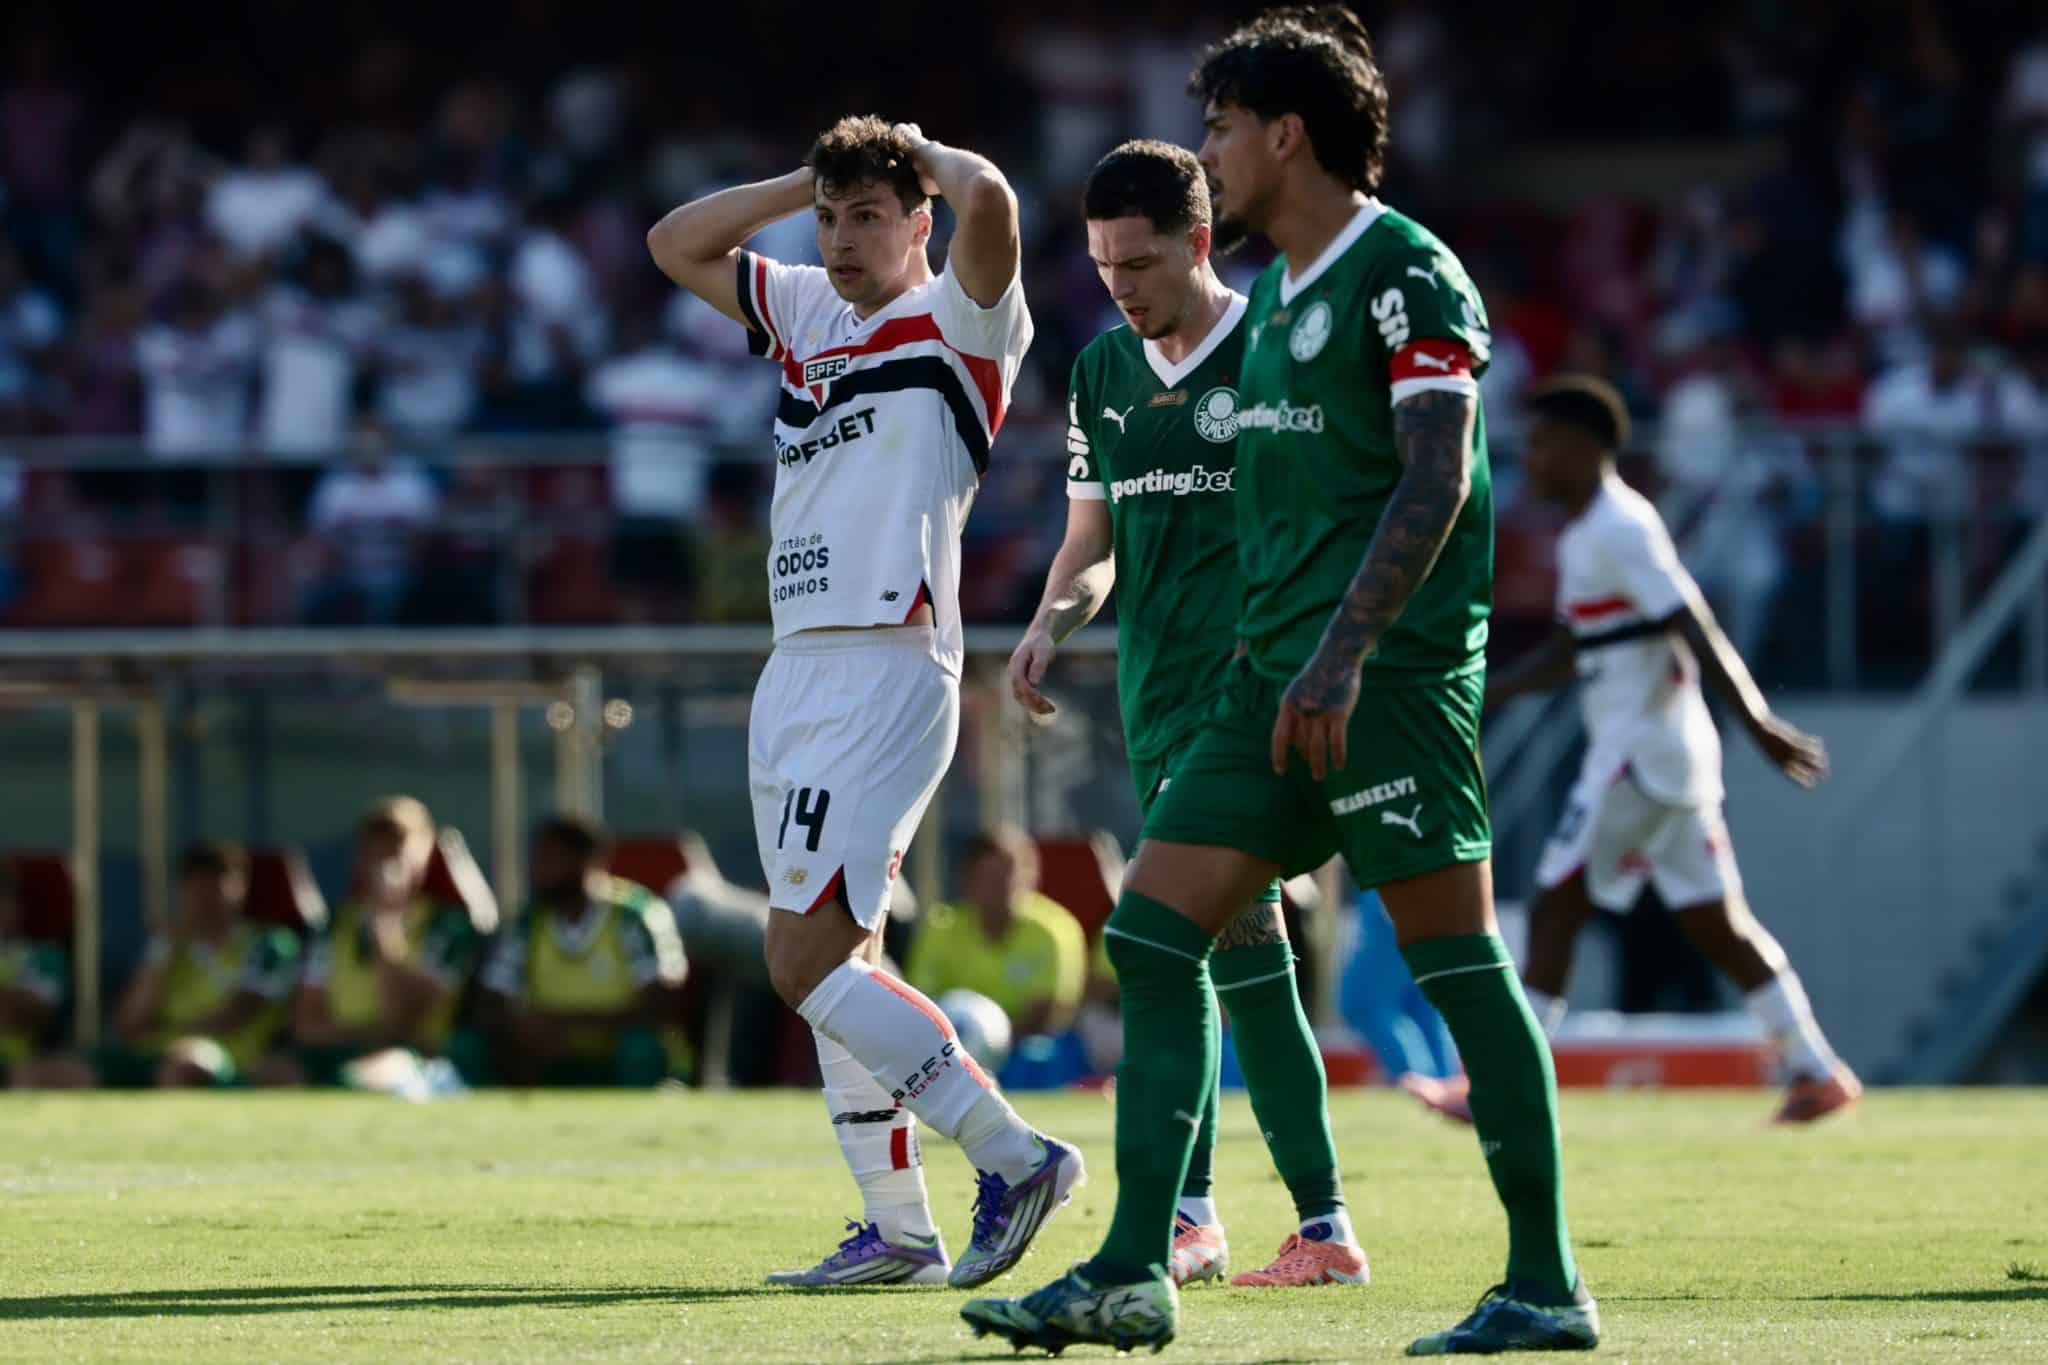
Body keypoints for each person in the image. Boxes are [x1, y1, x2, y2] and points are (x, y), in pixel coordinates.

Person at [965, 9, 1596, 1354]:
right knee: (1149, 935)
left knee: (1458, 967)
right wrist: (1268, 658)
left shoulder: (1404, 274)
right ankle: (1137, 1267)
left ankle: (1544, 1286)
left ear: (1285, 136)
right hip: (1270, 690)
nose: (1208, 154)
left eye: (1220, 129)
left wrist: (1343, 652)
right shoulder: (1286, 307)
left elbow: (1436, 477)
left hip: (1389, 683)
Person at [647, 114, 1080, 1290]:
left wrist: (922, 157)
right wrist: (806, 180)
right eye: (830, 219)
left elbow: (991, 201)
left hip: (889, 663)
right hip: (796, 661)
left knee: (801, 963)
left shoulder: (959, 318)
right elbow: (674, 243)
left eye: (868, 217)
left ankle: (1016, 1156)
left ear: (918, 221)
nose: (839, 240)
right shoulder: (805, 309)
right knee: (843, 963)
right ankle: (898, 1231)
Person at [1002, 139, 1364, 1292]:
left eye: (1140, 263)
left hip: (1250, 705)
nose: (1119, 286)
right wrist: (1049, 623)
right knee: (1228, 955)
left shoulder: (1272, 352)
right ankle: (1296, 1225)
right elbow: (1090, 540)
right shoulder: (1102, 372)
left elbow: (1331, 521)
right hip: (1153, 702)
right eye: (1103, 265)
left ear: (1199, 242)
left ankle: (1208, 1219)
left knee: (1169, 942)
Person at [1486, 374, 1861, 1125]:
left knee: (1557, 903)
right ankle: (1817, 1071)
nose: (1530, 460)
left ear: (1585, 445)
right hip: (1667, 756)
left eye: (1542, 444)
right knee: (1718, 924)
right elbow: (1575, 646)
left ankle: (1502, 1087)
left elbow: (1693, 620)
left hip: (1638, 752)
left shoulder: (1620, 525)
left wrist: (1757, 721)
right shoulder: (1587, 532)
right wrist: (1489, 692)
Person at [262, 797, 484, 1087]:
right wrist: (363, 1036)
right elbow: (307, 1025)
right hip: (340, 1050)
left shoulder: (448, 928)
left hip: (417, 1059)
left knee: (363, 1077)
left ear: (427, 849)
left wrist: (384, 923)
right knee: (272, 1075)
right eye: (376, 846)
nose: (386, 859)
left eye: (398, 845)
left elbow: (401, 1021)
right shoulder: (336, 925)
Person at [477, 816, 686, 1087]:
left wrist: (571, 1025)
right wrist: (523, 1026)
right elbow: (493, 997)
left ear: (590, 861)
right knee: (481, 1045)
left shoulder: (633, 916)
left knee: (641, 1048)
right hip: (551, 1055)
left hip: (618, 1054)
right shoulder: (528, 924)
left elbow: (660, 1001)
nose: (539, 870)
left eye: (554, 859)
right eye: (538, 859)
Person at [94, 842, 300, 1088]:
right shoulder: (167, 947)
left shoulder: (271, 944)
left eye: (215, 883)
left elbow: (234, 1016)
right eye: (196, 885)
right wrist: (161, 953)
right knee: (71, 1070)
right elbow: (129, 1023)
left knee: (185, 1065)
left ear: (241, 886)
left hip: (232, 1060)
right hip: (155, 1053)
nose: (205, 896)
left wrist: (165, 1036)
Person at [905, 828, 1086, 1044]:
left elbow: (1051, 1012)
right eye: (990, 877)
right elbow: (922, 1000)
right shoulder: (940, 927)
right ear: (968, 879)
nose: (1002, 886)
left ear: (1032, 875)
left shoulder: (1055, 930)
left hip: (1029, 1047)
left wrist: (993, 1043)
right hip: (953, 1045)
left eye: (1009, 874)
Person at [0, 862, 70, 1089]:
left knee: (72, 1074)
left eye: (5, 898)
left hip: (21, 1061)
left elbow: (22, 1013)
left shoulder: (45, 956)